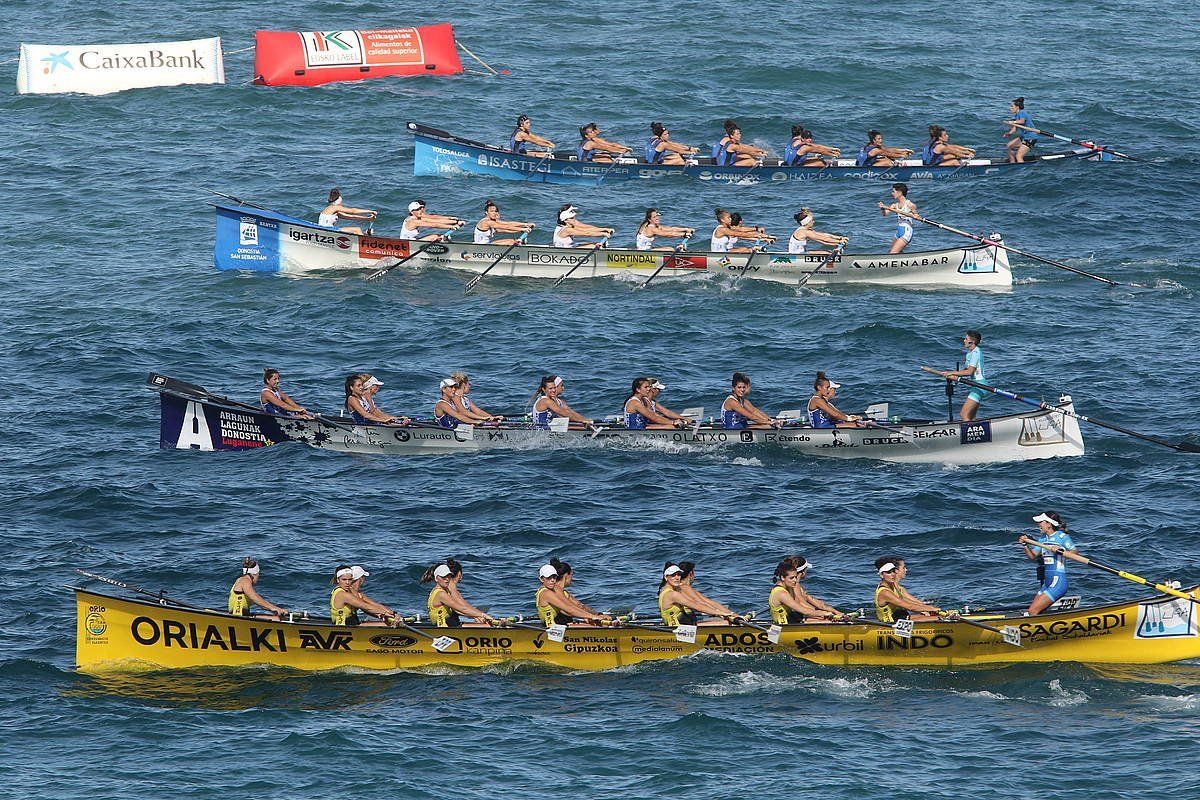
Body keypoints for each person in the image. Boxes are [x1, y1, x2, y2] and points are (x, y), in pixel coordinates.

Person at [1019, 511, 1086, 615]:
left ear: (1049, 524)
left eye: (1041, 522)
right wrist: (1025, 545)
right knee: (1032, 610)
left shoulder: (1062, 536)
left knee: (1033, 611)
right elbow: (1032, 556)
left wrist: (1061, 550)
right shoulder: (1042, 539)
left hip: (1058, 582)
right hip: (1047, 583)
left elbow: (1075, 553)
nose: (1038, 525)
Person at [659, 561, 745, 625]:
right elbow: (698, 606)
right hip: (681, 631)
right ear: (666, 577)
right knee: (727, 623)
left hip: (683, 626)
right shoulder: (673, 594)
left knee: (719, 621)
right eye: (673, 575)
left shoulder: (669, 590)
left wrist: (723, 614)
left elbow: (702, 603)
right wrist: (723, 613)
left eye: (678, 574)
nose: (677, 577)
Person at [769, 557, 845, 623]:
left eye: (795, 577)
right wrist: (825, 613)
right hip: (784, 626)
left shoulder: (789, 587)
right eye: (792, 578)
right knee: (829, 621)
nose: (795, 580)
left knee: (830, 620)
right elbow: (804, 610)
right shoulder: (781, 593)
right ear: (782, 577)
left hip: (793, 620)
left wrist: (831, 612)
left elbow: (811, 601)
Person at [421, 559, 495, 626]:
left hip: (451, 625)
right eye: (443, 577)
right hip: (445, 628)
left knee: (487, 625)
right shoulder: (441, 594)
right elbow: (463, 609)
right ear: (436, 578)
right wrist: (483, 615)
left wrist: (476, 616)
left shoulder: (445, 591)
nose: (447, 579)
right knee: (489, 626)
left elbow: (458, 610)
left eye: (449, 576)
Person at [874, 558, 948, 623]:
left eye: (893, 571)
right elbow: (909, 606)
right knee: (941, 618)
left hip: (900, 618)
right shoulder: (885, 592)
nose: (892, 574)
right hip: (890, 624)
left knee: (939, 616)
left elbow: (913, 603)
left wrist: (929, 610)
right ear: (881, 575)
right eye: (889, 572)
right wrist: (933, 609)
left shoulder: (893, 587)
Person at [535, 561, 610, 626]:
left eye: (554, 577)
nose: (552, 580)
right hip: (553, 629)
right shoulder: (546, 593)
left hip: (558, 626)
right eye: (549, 578)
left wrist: (593, 616)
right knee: (600, 626)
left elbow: (575, 607)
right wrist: (592, 616)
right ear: (541, 579)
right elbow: (569, 609)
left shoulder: (552, 590)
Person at [934, 330, 986, 421]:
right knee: (971, 417)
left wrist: (952, 372)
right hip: (976, 385)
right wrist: (955, 376)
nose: (964, 340)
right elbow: (966, 371)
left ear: (972, 342)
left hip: (980, 386)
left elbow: (970, 372)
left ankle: (967, 434)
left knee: (963, 415)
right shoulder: (970, 353)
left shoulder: (976, 353)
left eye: (966, 339)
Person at [330, 565, 400, 627]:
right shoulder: (342, 594)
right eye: (344, 580)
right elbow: (365, 606)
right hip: (344, 628)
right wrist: (385, 613)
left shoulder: (351, 591)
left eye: (349, 579)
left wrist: (393, 614)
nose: (347, 582)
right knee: (390, 625)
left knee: (390, 623)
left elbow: (374, 604)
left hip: (354, 624)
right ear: (338, 580)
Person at [876, 183, 918, 254]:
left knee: (893, 253)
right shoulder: (894, 205)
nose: (892, 193)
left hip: (906, 232)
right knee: (893, 252)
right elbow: (885, 214)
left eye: (893, 191)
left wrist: (916, 216)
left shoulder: (910, 205)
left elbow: (917, 216)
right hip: (898, 232)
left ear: (900, 192)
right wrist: (882, 208)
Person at [1003, 97, 1038, 163]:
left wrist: (1012, 122)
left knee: (1019, 156)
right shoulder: (1016, 116)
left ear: (1017, 107)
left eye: (1012, 106)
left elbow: (1022, 121)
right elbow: (1014, 128)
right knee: (1009, 146)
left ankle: (1022, 170)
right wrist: (1009, 133)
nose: (1010, 108)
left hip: (1031, 137)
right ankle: (1012, 163)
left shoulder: (1022, 112)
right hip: (1025, 137)